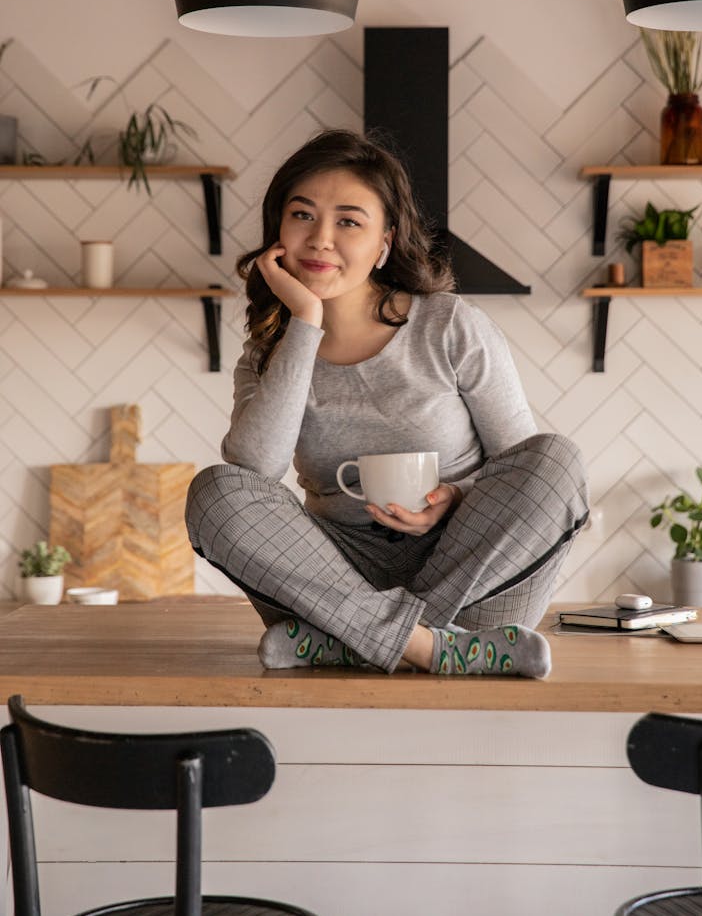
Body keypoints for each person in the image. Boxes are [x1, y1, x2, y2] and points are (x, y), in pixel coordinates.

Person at [185, 129, 589, 678]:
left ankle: (357, 643)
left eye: (349, 221)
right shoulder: (269, 353)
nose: (321, 239)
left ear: (384, 243)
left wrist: (454, 495)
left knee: (556, 459)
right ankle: (435, 649)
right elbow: (257, 469)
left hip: (468, 571)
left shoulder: (450, 326)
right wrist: (304, 322)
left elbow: (521, 468)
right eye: (302, 215)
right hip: (338, 579)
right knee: (217, 491)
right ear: (277, 231)